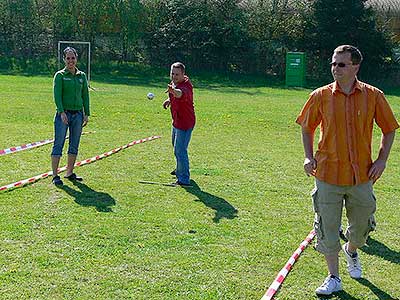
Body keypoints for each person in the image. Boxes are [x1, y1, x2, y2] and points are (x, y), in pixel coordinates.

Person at [296, 45, 399, 296]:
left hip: (361, 176)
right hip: (327, 174)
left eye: (341, 64)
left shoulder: (374, 95)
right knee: (327, 227)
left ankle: (351, 250)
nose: (335, 69)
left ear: (355, 66)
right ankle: (334, 277)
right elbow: (307, 127)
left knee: (362, 227)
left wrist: (382, 160)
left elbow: (389, 128)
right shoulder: (319, 95)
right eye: (333, 64)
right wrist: (308, 157)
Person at [51, 47, 90, 186]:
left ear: (76, 59)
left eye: (73, 58)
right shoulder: (60, 75)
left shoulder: (82, 76)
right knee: (59, 143)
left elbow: (85, 95)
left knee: (74, 144)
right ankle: (55, 175)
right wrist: (61, 112)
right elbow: (57, 96)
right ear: (64, 59)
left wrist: (86, 113)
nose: (70, 61)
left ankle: (69, 172)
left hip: (78, 114)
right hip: (64, 114)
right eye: (68, 58)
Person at [163, 62, 195, 186]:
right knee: (176, 148)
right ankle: (179, 169)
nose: (174, 76)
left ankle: (184, 179)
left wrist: (173, 92)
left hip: (185, 123)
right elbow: (174, 94)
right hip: (176, 121)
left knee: (180, 150)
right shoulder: (173, 83)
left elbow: (180, 93)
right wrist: (169, 100)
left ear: (183, 74)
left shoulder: (186, 86)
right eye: (172, 73)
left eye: (177, 74)